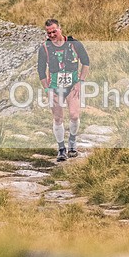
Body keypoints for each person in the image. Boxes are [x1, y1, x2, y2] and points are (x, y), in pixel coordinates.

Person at [37, 19, 90, 161]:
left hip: (73, 86)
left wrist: (80, 82)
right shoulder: (44, 49)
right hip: (54, 87)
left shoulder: (75, 44)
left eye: (54, 31)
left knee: (74, 115)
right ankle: (61, 148)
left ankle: (72, 142)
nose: (52, 34)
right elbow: (41, 72)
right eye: (49, 33)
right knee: (58, 118)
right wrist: (47, 89)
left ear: (60, 28)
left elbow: (86, 62)